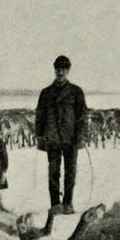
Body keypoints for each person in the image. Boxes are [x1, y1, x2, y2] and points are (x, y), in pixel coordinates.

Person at [35, 55, 87, 214]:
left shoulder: (76, 92)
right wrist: (40, 136)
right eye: (58, 68)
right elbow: (40, 117)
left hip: (71, 139)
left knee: (70, 173)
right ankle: (55, 204)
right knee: (53, 173)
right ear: (54, 70)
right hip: (52, 139)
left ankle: (68, 203)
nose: (60, 72)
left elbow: (82, 117)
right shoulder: (45, 93)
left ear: (68, 70)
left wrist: (80, 137)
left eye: (64, 69)